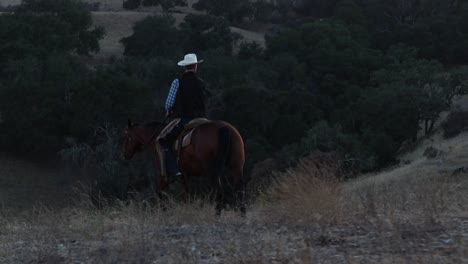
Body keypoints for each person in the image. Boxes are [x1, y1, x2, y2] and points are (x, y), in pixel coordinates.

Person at [158, 53, 207, 179]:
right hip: (202, 118)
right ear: (196, 66)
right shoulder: (201, 82)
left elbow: (169, 103)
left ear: (184, 67)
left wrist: (168, 111)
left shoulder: (177, 82)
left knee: (164, 140)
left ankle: (174, 170)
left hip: (185, 118)